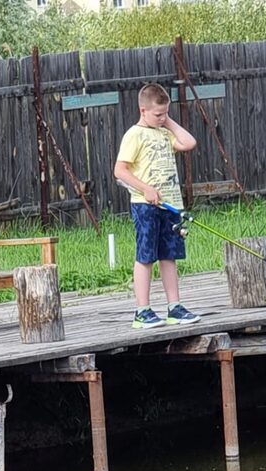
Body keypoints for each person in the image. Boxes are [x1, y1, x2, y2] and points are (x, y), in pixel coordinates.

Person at [114, 83, 201, 330]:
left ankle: (174, 307)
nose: (162, 118)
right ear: (143, 110)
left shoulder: (164, 132)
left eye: (165, 113)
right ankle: (142, 311)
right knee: (146, 256)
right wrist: (145, 189)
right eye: (157, 114)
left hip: (170, 205)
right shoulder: (134, 135)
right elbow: (119, 170)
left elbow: (189, 143)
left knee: (169, 255)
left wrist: (168, 120)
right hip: (146, 205)